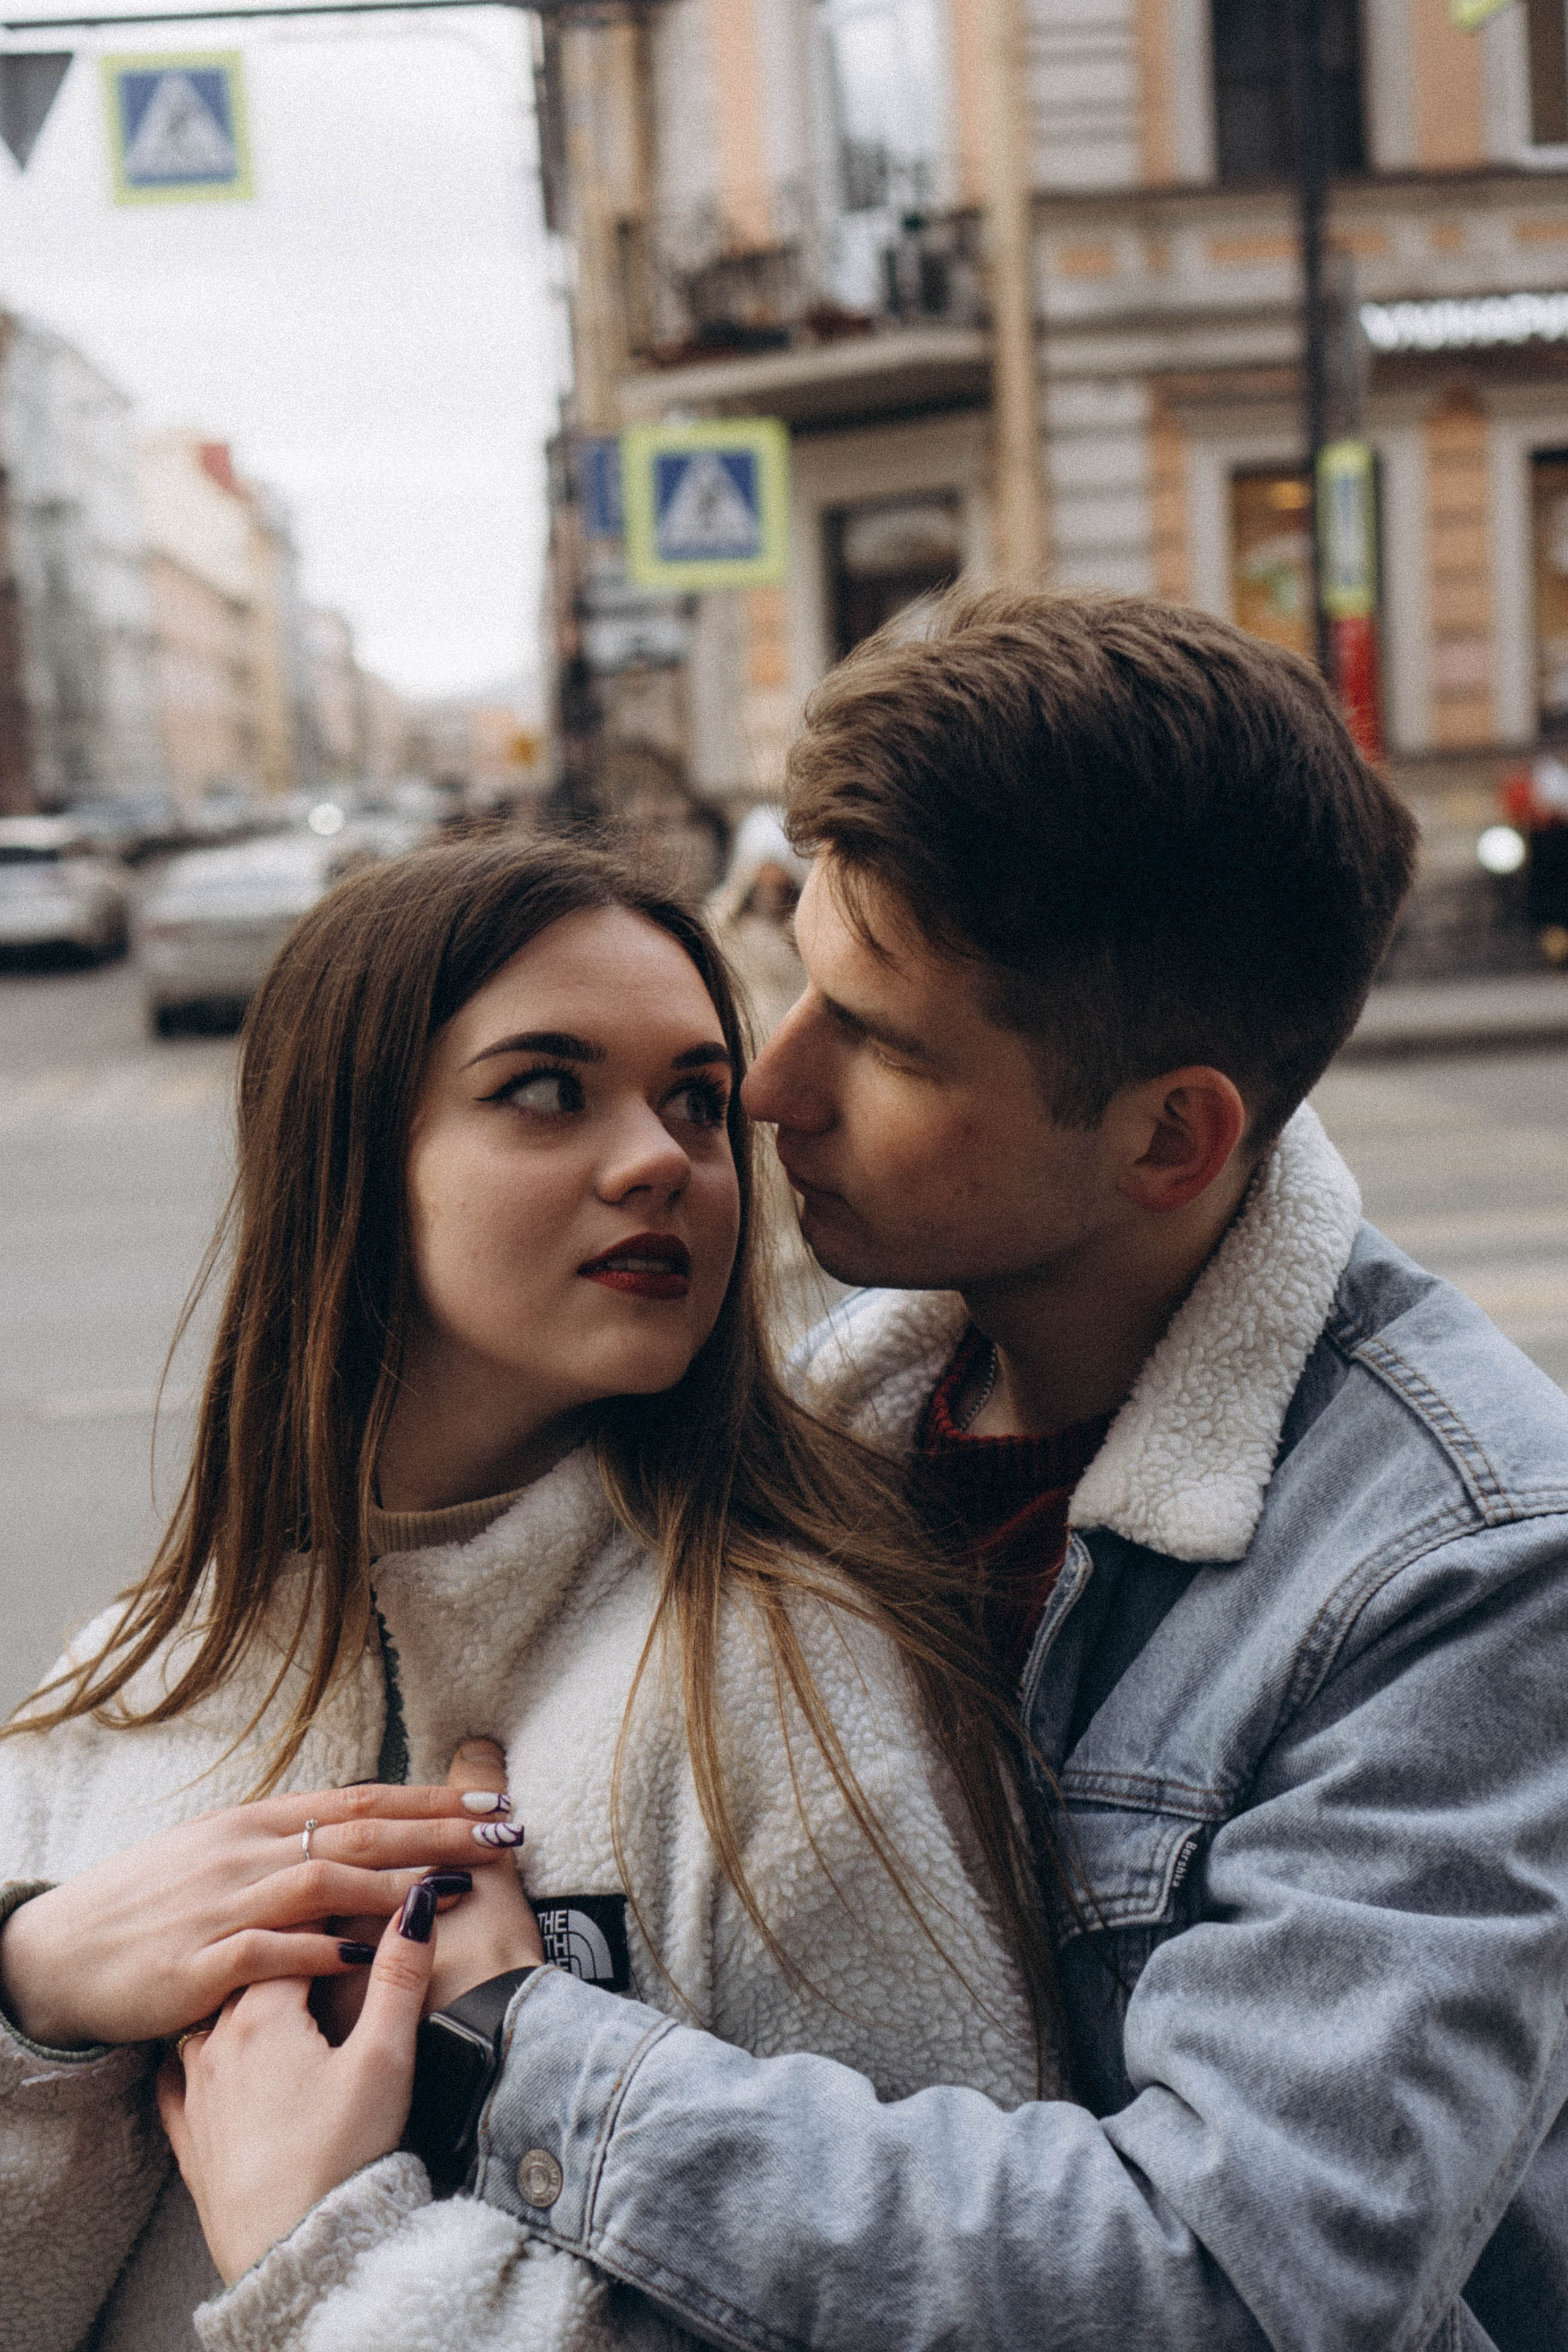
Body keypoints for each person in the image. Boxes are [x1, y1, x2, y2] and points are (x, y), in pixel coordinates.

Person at [190, 591, 1568, 2352]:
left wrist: (518, 2044)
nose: (767, 1089)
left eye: (888, 1042)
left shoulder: (1465, 1566)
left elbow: (1235, 2282)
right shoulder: (816, 1426)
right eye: (798, 970)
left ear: (1172, 1136)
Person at [0, 838, 1057, 2351]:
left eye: (697, 1099)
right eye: (547, 1088)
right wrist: (28, 1996)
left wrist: (331, 2266)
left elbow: (957, 2309)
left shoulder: (787, 1672)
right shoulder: (131, 1682)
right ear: (350, 1157)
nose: (662, 1161)